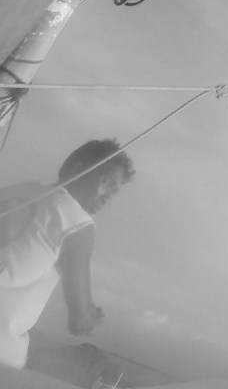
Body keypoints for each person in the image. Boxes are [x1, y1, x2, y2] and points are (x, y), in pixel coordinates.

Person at [0, 139, 135, 369]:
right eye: (106, 184)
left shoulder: (17, 190)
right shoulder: (75, 223)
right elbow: (80, 323)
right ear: (79, 170)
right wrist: (92, 318)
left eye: (113, 193)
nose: (106, 198)